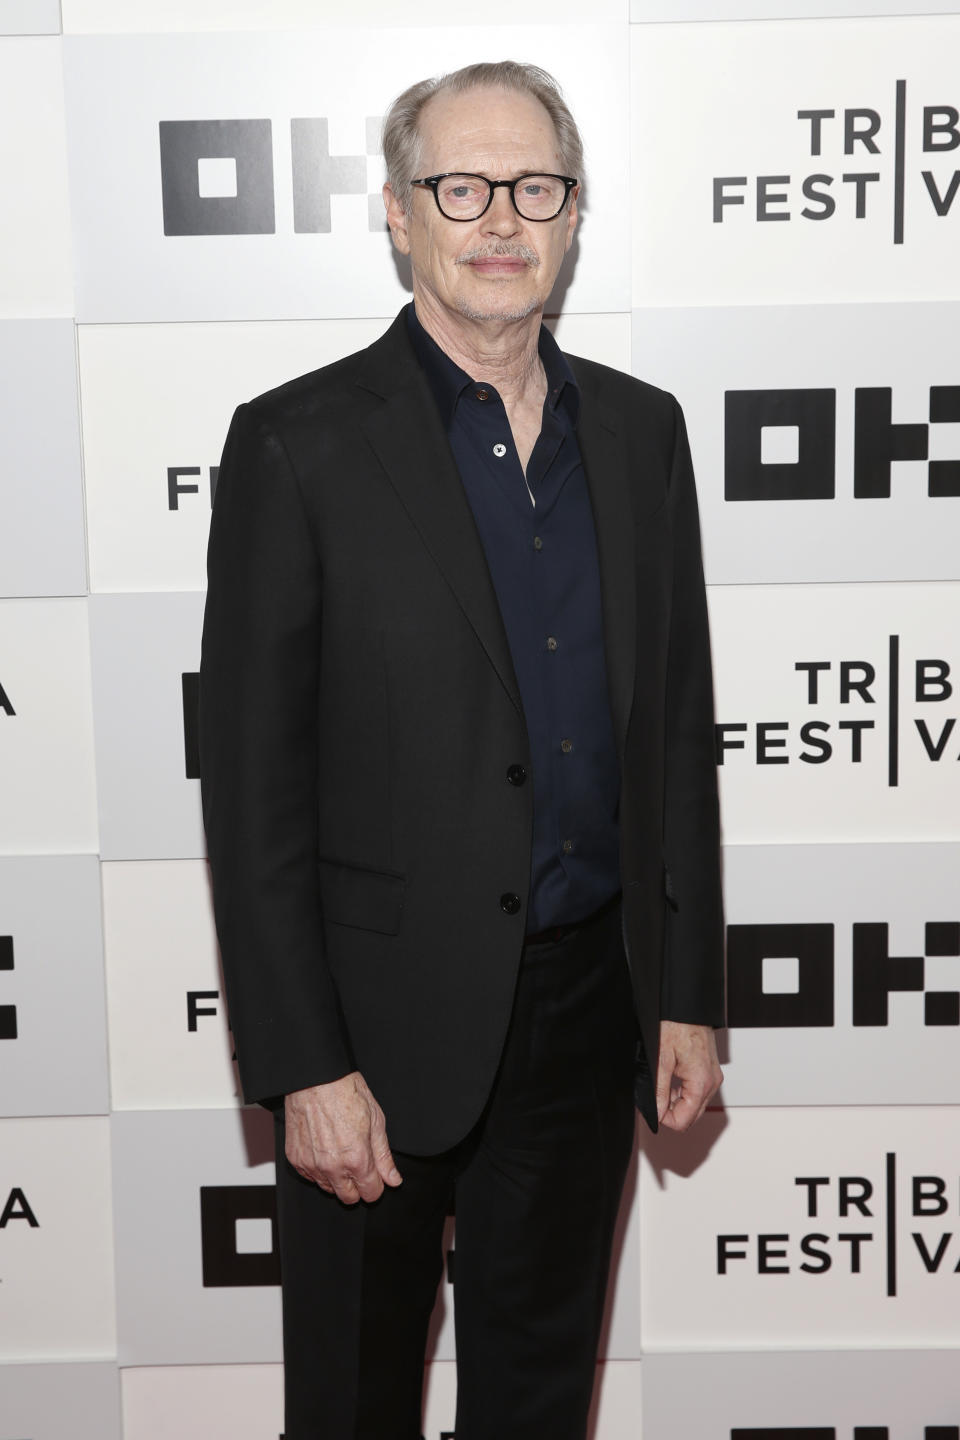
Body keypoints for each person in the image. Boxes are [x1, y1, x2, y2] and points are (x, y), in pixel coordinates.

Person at [199, 59, 724, 1440]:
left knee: (539, 1403)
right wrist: (304, 1065)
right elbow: (252, 798)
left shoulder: (643, 434)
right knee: (354, 1408)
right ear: (398, 213)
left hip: (583, 1015)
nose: (501, 218)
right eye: (461, 186)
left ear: (573, 216)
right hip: (374, 1036)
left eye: (536, 187)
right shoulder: (296, 446)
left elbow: (673, 736)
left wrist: (683, 988)